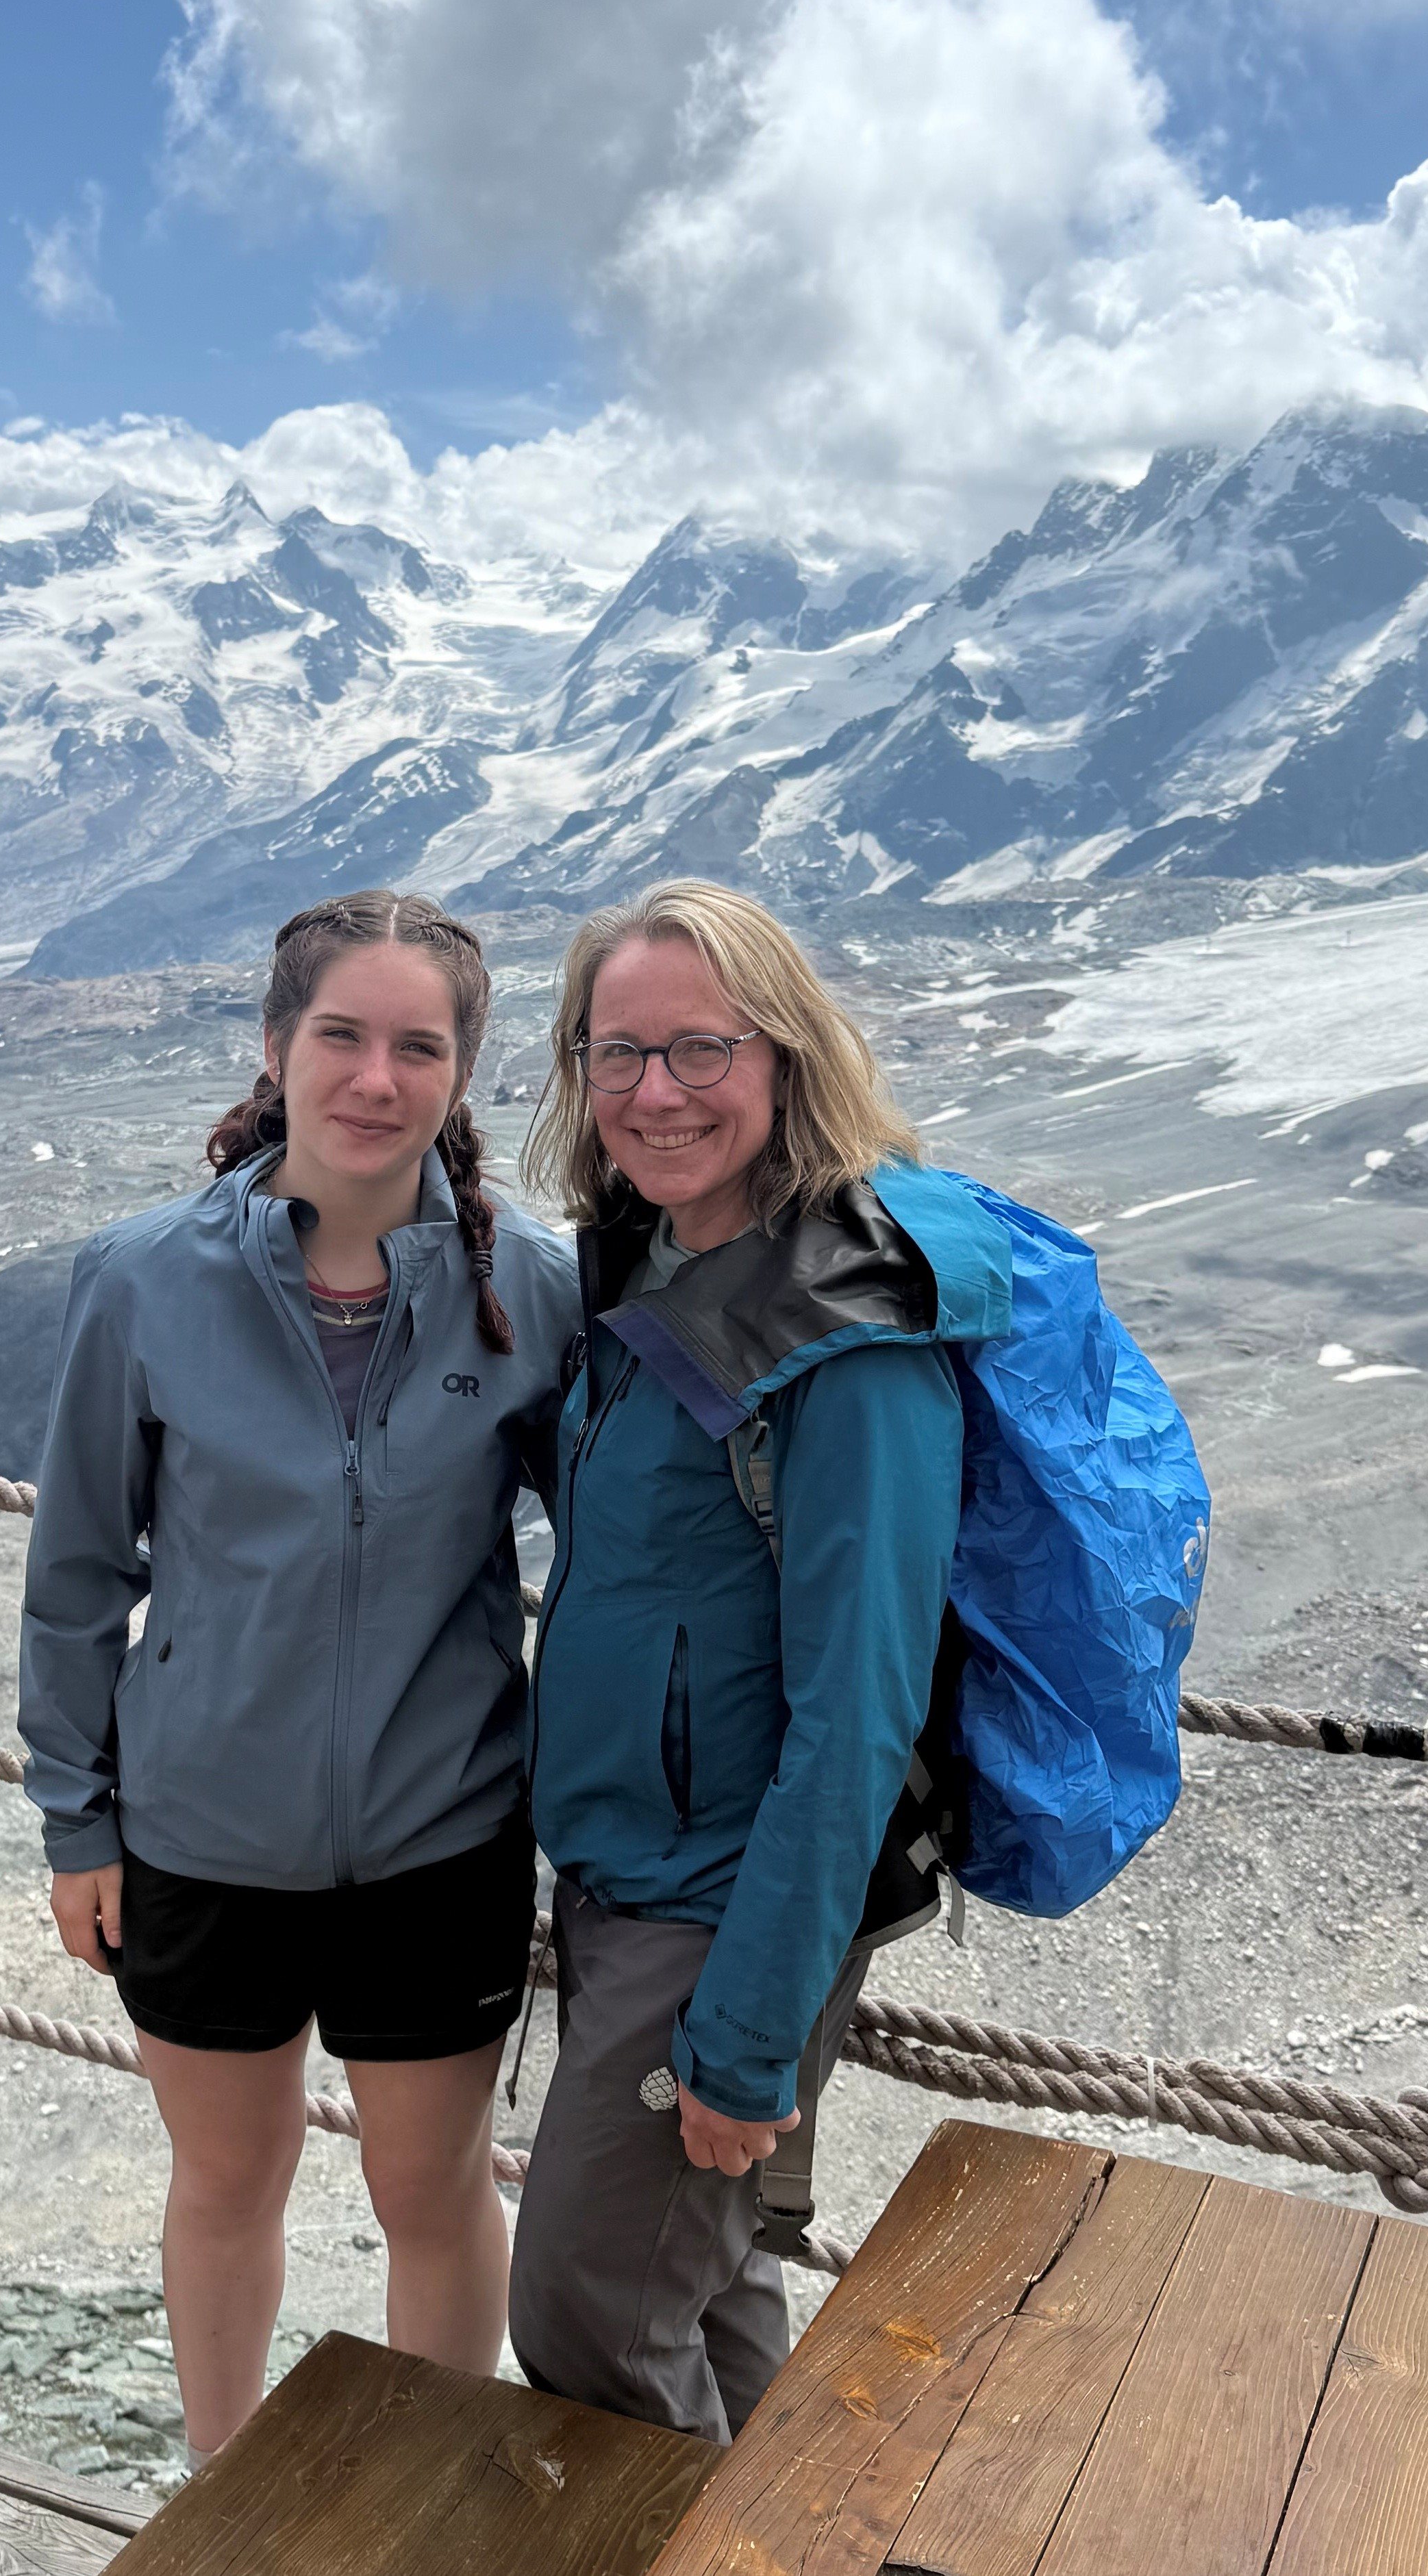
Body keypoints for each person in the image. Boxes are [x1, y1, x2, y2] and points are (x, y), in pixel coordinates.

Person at [18, 890, 579, 2461]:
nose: (376, 1078)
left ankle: (430, 2518)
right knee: (224, 2182)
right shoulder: (141, 1281)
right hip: (198, 1836)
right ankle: (224, 2492)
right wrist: (78, 1818)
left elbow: (617, 1546)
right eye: (342, 1034)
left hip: (443, 1835)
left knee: (435, 2194)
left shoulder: (530, 1290)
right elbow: (75, 1575)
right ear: (276, 1046)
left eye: (420, 1044)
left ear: (464, 1074)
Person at [508, 879, 1005, 2441]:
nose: (655, 1093)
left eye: (700, 1051)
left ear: (786, 1058)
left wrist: (743, 2031)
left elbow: (853, 1718)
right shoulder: (655, 1270)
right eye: (618, 1053)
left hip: (719, 1912)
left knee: (585, 2313)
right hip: (630, 1884)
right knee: (702, 2298)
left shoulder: (847, 1348)